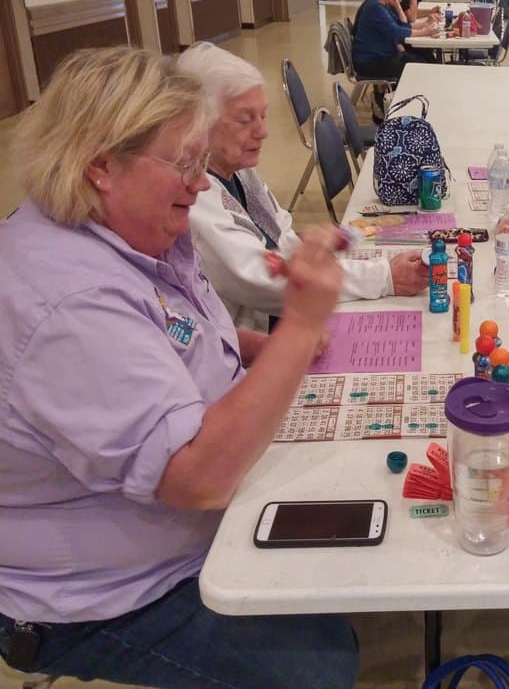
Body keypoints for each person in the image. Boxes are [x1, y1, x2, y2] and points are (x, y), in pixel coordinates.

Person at [0, 47, 359, 688]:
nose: (200, 184)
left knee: (338, 559)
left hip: (178, 521)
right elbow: (198, 480)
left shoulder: (124, 229)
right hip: (101, 596)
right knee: (320, 665)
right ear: (101, 166)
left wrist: (259, 351)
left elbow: (176, 334)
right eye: (186, 163)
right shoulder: (69, 301)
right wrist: (299, 327)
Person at [177, 42, 428, 332]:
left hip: (283, 314)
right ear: (199, 123)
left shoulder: (239, 172)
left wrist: (319, 250)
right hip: (256, 342)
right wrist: (384, 278)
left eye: (263, 115)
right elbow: (265, 280)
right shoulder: (193, 201)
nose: (263, 131)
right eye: (245, 120)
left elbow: (283, 238)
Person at [352, 0, 434, 116]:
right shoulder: (374, 8)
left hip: (379, 57)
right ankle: (395, 106)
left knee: (424, 58)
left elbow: (401, 24)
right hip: (370, 62)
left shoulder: (381, 5)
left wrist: (424, 24)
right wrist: (424, 32)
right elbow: (396, 32)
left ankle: (410, 105)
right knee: (419, 66)